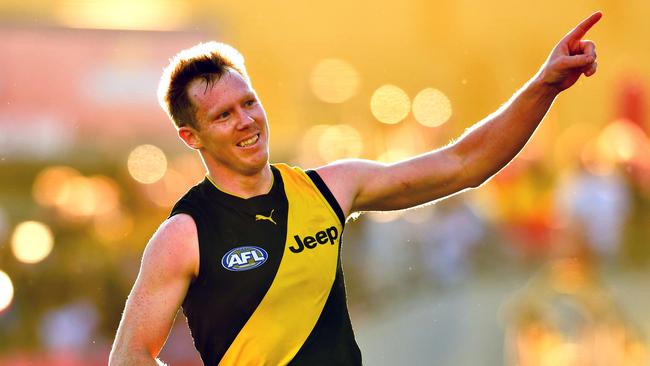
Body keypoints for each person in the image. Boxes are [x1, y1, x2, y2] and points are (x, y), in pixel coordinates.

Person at [109, 11, 602, 366]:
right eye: (223, 115)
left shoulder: (328, 188)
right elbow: (129, 355)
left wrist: (545, 85)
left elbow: (464, 163)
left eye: (249, 102)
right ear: (190, 137)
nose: (247, 122)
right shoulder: (184, 234)